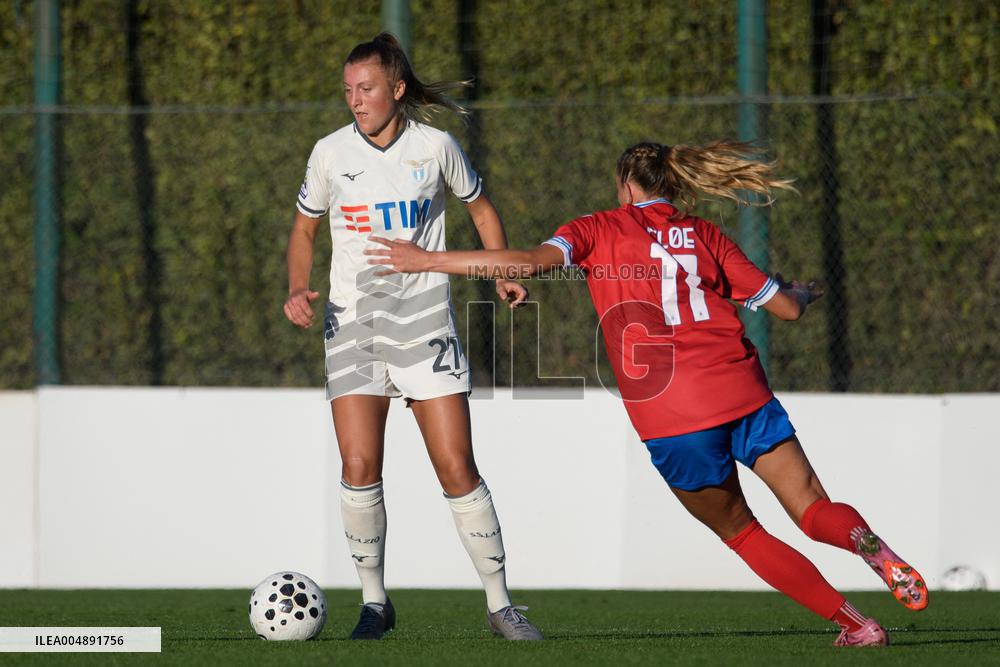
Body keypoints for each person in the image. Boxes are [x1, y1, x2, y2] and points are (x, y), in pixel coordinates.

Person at [366, 139, 929, 647]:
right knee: (812, 507)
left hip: (674, 416)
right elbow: (784, 308)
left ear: (625, 186)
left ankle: (858, 625)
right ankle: (865, 541)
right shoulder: (705, 234)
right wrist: (800, 292)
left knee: (743, 533)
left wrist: (428, 260)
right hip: (743, 391)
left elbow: (530, 264)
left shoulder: (596, 229)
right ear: (671, 183)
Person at [283, 32, 542, 641]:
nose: (355, 100)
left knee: (456, 466)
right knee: (358, 464)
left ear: (397, 89)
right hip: (352, 325)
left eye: (366, 88)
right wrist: (297, 287)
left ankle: (501, 605)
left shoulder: (435, 147)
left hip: (426, 324)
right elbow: (304, 230)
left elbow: (480, 208)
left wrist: (502, 269)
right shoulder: (329, 153)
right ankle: (374, 603)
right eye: (348, 89)